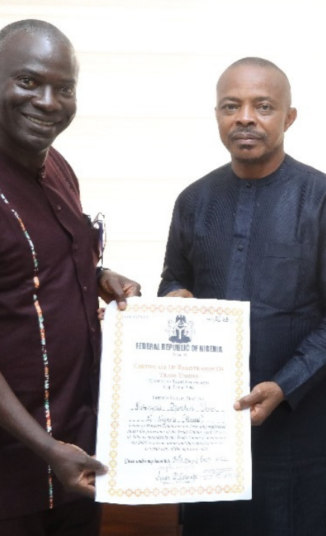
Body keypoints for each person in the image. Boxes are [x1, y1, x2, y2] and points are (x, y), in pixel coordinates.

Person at [158, 57, 326, 535]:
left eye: (263, 106)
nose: (245, 117)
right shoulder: (193, 200)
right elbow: (172, 277)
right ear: (217, 115)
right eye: (231, 106)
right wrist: (176, 296)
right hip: (207, 429)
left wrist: (285, 385)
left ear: (288, 118)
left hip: (299, 427)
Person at [0, 19, 141, 536]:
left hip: (79, 452)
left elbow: (39, 263)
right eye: (28, 82)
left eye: (65, 88)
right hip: (15, 470)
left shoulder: (56, 165)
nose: (48, 101)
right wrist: (44, 448)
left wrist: (99, 274)